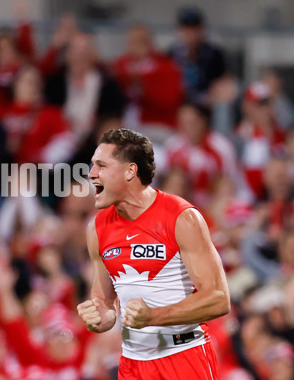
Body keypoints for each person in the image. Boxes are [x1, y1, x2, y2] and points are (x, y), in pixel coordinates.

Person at [77, 128, 230, 379]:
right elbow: (105, 302)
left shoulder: (182, 217)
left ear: (130, 171)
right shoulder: (96, 228)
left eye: (101, 166)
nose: (91, 174)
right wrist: (99, 316)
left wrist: (154, 316)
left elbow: (218, 298)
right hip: (132, 362)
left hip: (184, 357)